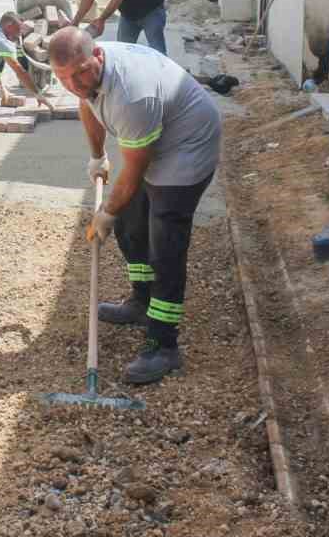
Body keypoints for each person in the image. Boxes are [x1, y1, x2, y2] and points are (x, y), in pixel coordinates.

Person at [49, 27, 221, 384]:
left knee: (165, 242)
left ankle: (164, 344)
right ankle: (141, 302)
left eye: (81, 72)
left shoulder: (131, 96)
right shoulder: (88, 77)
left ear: (97, 56)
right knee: (131, 225)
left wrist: (106, 212)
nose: (76, 84)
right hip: (157, 132)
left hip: (188, 144)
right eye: (64, 78)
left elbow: (137, 168)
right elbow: (88, 105)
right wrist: (98, 157)